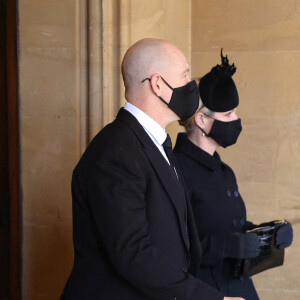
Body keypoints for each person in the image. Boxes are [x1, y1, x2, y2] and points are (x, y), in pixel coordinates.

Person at [60, 39, 244, 300]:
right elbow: (133, 252)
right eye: (185, 75)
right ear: (158, 84)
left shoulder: (152, 142)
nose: (192, 86)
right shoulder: (115, 151)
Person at [173, 50, 293, 300]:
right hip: (205, 292)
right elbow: (171, 247)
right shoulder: (176, 170)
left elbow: (229, 227)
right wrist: (227, 246)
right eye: (228, 115)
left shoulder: (224, 172)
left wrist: (268, 235)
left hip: (240, 289)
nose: (236, 121)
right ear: (202, 121)